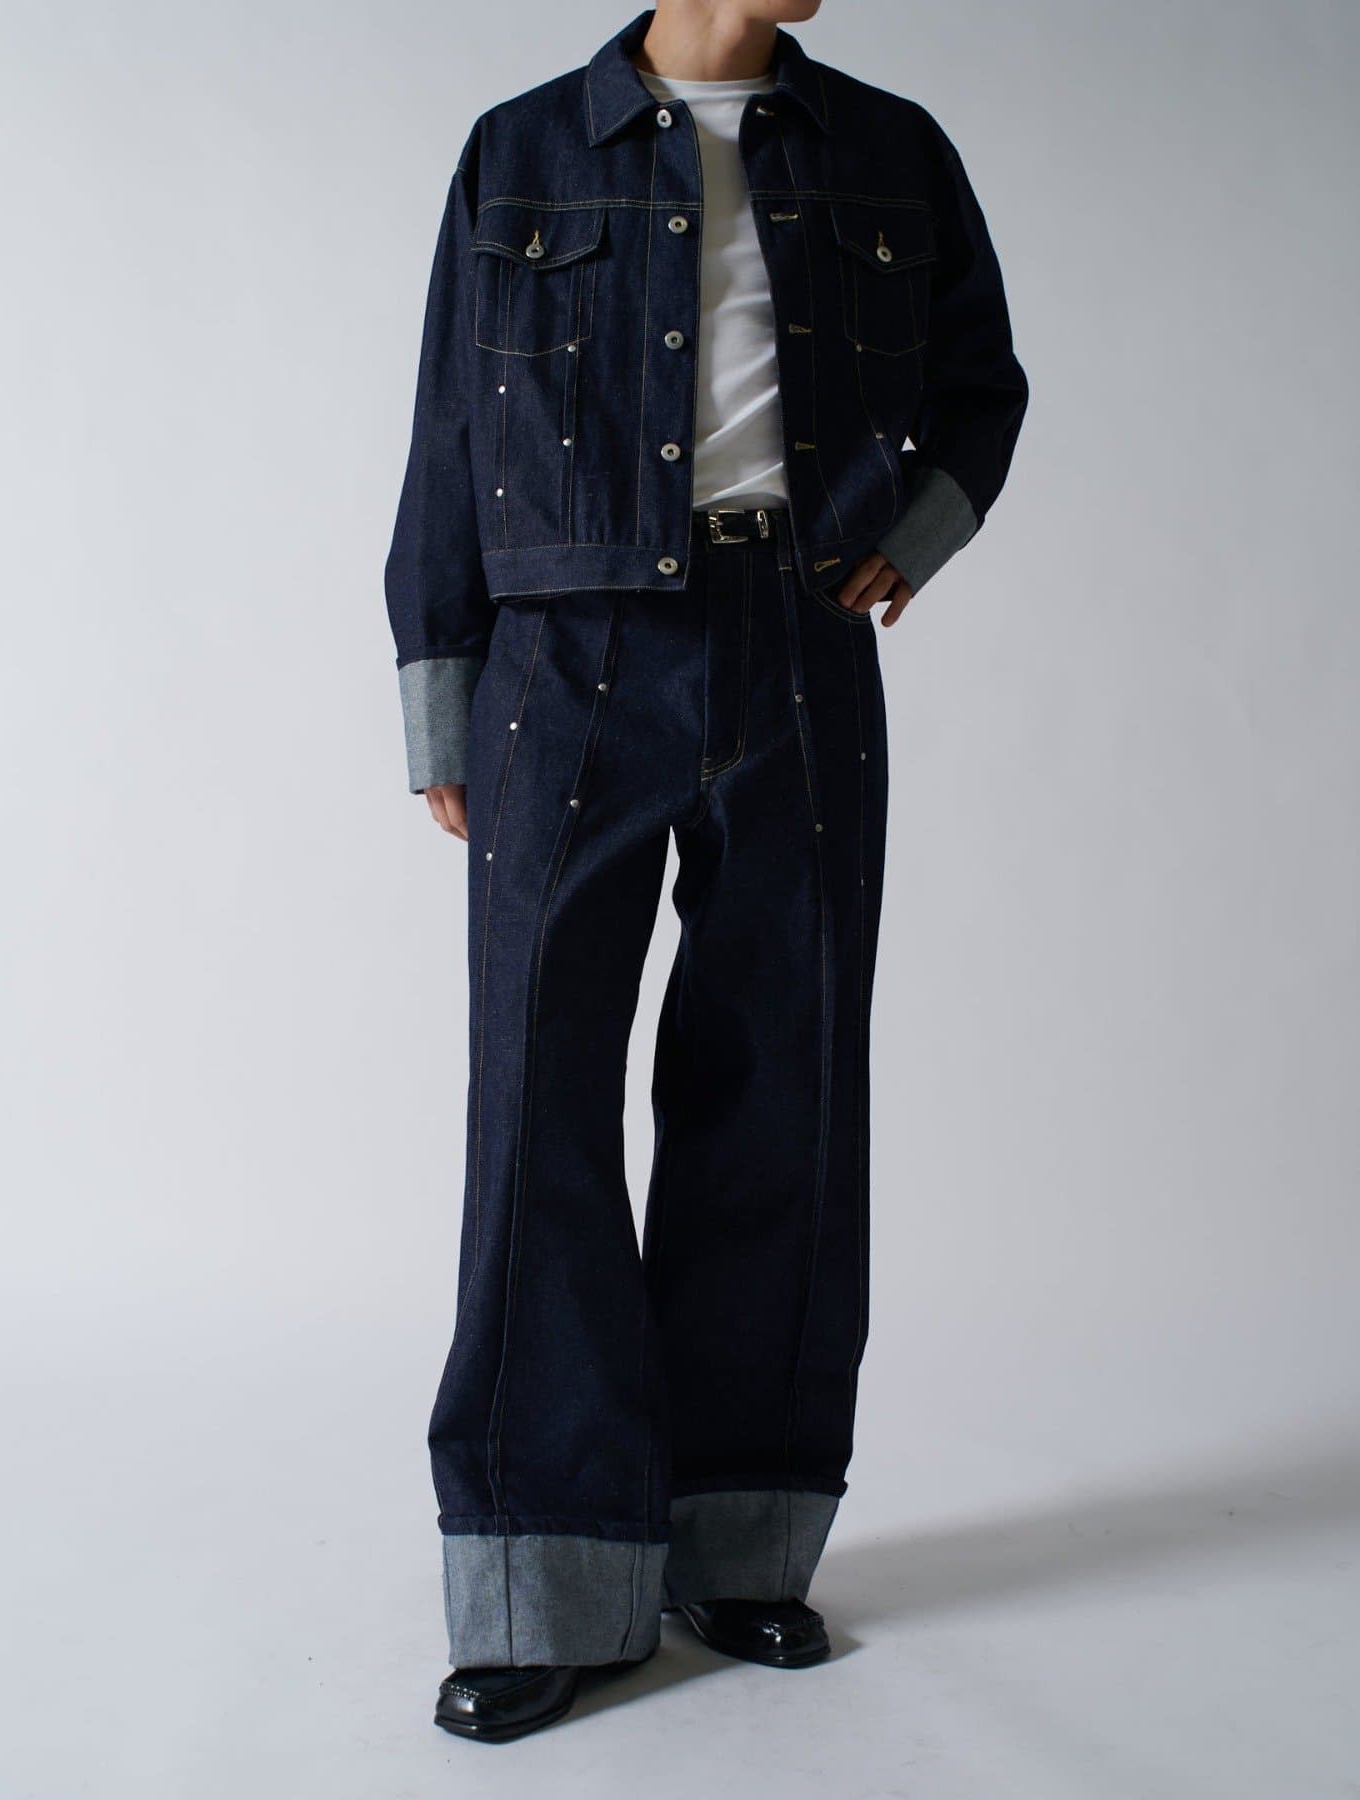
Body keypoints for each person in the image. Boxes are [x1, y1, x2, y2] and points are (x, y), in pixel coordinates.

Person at [383, 0, 1027, 1743]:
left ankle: (738, 1545)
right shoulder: (522, 150)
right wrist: (441, 684)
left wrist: (912, 534)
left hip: (799, 648)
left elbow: (983, 383)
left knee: (783, 1089)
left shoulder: (887, 149)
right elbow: (449, 428)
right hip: (567, 654)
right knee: (539, 1098)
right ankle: (546, 1577)